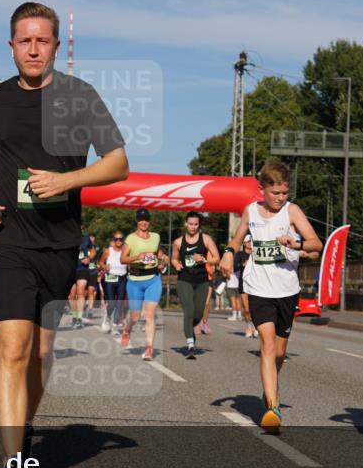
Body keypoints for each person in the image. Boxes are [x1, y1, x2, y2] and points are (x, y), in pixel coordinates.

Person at [0, 2, 128, 468]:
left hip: (59, 243)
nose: (33, 49)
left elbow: (117, 163)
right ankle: (15, 465)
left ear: (55, 45)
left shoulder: (80, 97)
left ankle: (24, 423)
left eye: (42, 40)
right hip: (7, 239)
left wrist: (68, 180)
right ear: (11, 47)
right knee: (13, 347)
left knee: (42, 351)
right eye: (24, 40)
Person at [220, 161, 322, 432]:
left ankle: (270, 389)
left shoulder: (292, 212)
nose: (280, 198)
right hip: (258, 288)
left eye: (285, 192)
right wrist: (229, 253)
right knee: (266, 343)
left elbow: (316, 244)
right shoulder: (250, 211)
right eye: (275, 192)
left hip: (287, 289)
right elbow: (236, 238)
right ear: (262, 189)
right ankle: (273, 407)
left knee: (279, 351)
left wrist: (295, 243)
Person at [120, 208, 169, 361]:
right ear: (137, 221)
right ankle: (127, 330)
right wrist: (137, 257)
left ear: (149, 221)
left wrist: (164, 258)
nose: (144, 222)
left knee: (149, 314)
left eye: (146, 220)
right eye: (141, 220)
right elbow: (123, 259)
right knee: (135, 317)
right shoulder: (130, 239)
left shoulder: (155, 237)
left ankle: (149, 349)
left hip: (153, 279)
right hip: (135, 281)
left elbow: (158, 253)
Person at [171, 212, 220, 358]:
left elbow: (217, 258)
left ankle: (189, 327)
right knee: (189, 310)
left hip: (202, 281)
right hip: (184, 279)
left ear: (199, 225)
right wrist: (176, 265)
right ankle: (191, 344)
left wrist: (204, 260)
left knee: (198, 314)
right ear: (186, 224)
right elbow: (174, 258)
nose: (193, 227)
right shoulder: (178, 242)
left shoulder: (205, 239)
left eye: (196, 224)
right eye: (190, 224)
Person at [98, 232, 129, 335]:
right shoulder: (108, 251)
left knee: (119, 303)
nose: (118, 241)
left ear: (123, 240)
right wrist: (104, 267)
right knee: (111, 303)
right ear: (113, 240)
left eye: (120, 239)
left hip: (122, 278)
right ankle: (107, 318)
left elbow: (130, 261)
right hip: (110, 279)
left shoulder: (126, 251)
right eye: (116, 239)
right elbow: (100, 262)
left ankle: (115, 326)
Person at [70, 232, 96, 329]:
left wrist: (89, 258)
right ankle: (75, 316)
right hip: (70, 269)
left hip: (83, 269)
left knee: (80, 292)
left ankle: (80, 318)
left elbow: (93, 250)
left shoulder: (85, 238)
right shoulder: (66, 236)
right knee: (71, 296)